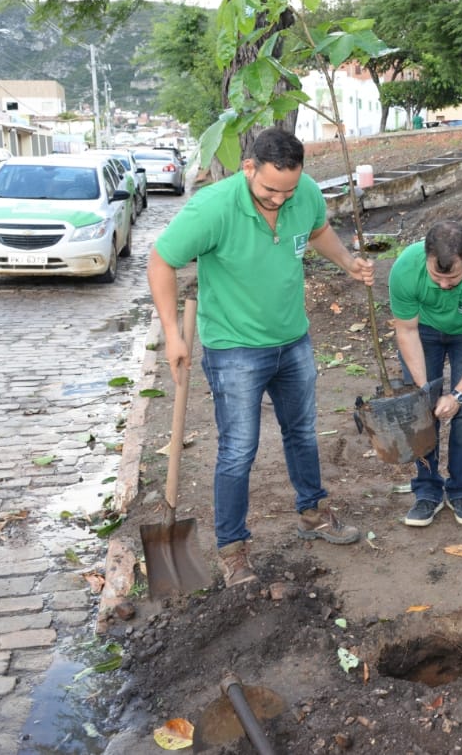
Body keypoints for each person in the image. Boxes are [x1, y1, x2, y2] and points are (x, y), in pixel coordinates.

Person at [148, 127, 373, 588]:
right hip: (234, 348)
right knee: (238, 450)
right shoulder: (213, 208)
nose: (279, 199)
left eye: (288, 190)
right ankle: (232, 550)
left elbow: (318, 230)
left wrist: (347, 262)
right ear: (248, 167)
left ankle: (313, 513)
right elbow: (161, 260)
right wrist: (172, 334)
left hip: (293, 339)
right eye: (270, 190)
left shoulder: (303, 194)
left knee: (302, 432)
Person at [389, 221, 462, 527]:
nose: (444, 285)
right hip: (423, 330)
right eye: (437, 277)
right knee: (421, 409)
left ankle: (460, 490)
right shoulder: (405, 268)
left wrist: (457, 395)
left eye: (453, 277)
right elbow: (406, 331)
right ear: (426, 258)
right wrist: (425, 391)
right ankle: (427, 490)